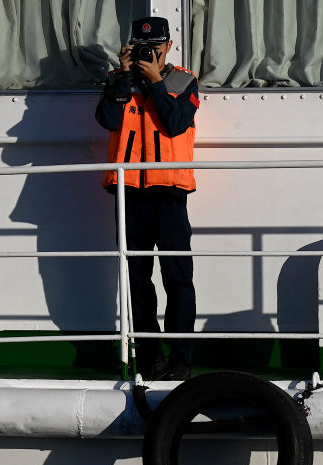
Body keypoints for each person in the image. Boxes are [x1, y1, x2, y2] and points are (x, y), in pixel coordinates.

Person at [95, 16, 199, 381]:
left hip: (169, 194)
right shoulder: (119, 81)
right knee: (138, 280)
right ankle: (150, 354)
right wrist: (122, 77)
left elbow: (176, 123)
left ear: (168, 46)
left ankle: (181, 357)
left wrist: (155, 83)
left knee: (177, 278)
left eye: (155, 47)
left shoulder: (183, 81)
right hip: (129, 193)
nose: (148, 53)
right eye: (141, 48)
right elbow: (107, 120)